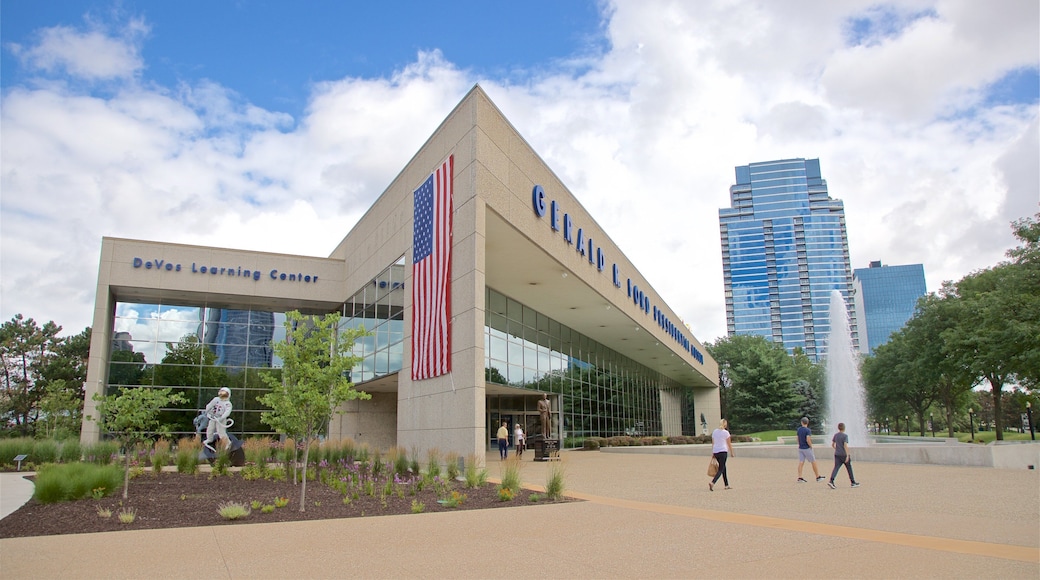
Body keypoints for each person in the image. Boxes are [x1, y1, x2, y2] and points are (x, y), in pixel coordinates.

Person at [828, 422, 861, 489]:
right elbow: (845, 445)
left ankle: (831, 481)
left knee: (836, 468)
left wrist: (837, 449)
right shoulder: (845, 436)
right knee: (849, 468)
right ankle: (853, 482)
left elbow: (832, 445)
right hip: (843, 454)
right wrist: (847, 455)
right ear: (844, 428)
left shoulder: (836, 435)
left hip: (837, 454)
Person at [203, 387, 233, 452]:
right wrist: (207, 410)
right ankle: (209, 439)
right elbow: (210, 405)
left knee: (221, 432)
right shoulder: (216, 399)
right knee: (210, 428)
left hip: (220, 420)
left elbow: (227, 412)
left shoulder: (228, 404)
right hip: (213, 417)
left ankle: (227, 443)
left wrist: (221, 418)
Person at [796, 417, 825, 482]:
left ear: (801, 422)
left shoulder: (799, 429)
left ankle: (800, 477)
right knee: (813, 462)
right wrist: (811, 446)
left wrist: (799, 444)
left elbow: (797, 438)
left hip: (801, 448)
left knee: (801, 462)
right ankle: (817, 476)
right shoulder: (807, 430)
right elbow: (808, 439)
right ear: (807, 423)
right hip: (807, 448)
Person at [709, 419, 733, 491]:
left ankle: (726, 484)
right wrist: (732, 452)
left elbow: (713, 443)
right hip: (723, 451)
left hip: (716, 451)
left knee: (723, 467)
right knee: (721, 469)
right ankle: (713, 482)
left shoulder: (715, 432)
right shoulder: (726, 433)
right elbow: (729, 443)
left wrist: (713, 452)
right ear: (725, 425)